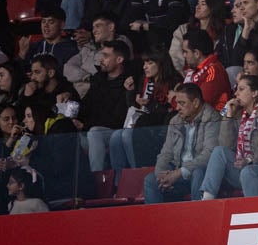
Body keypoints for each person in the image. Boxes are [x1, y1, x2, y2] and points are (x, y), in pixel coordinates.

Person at [199, 74, 258, 199]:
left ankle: (252, 212)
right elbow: (226, 146)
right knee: (219, 151)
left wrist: (250, 160)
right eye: (236, 89)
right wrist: (228, 116)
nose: (236, 94)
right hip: (242, 166)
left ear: (254, 93)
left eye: (241, 89)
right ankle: (206, 201)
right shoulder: (238, 115)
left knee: (248, 171)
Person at [110, 48, 179, 184]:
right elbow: (136, 109)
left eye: (149, 63)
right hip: (143, 124)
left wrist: (151, 106)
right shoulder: (146, 81)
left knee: (127, 135)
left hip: (158, 130)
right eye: (144, 63)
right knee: (116, 137)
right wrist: (130, 93)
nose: (144, 66)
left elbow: (168, 113)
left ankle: (138, 174)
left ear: (161, 64)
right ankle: (119, 182)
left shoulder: (174, 82)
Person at [143, 82, 221, 204]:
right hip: (178, 175)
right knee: (151, 180)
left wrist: (179, 173)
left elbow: (210, 154)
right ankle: (155, 222)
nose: (177, 108)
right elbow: (166, 154)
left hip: (198, 173)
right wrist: (163, 177)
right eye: (176, 103)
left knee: (198, 173)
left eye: (182, 103)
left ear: (195, 103)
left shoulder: (212, 118)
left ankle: (199, 218)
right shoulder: (175, 121)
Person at [77, 39, 132, 172]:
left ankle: (97, 182)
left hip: (114, 133)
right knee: (66, 135)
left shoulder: (128, 83)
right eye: (102, 55)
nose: (101, 59)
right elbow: (85, 105)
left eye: (106, 56)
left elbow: (118, 119)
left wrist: (85, 125)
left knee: (95, 133)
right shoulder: (98, 79)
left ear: (119, 59)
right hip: (88, 130)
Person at [168, 0, 227, 74]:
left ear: (213, 7)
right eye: (197, 3)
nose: (197, 7)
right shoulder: (184, 29)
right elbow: (175, 57)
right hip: (184, 76)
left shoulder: (223, 32)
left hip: (211, 74)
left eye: (203, 4)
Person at [178, 28, 231, 112]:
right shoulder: (195, 70)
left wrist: (175, 98)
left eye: (186, 52)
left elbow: (200, 104)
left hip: (214, 121)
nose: (184, 55)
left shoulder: (214, 71)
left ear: (197, 53)